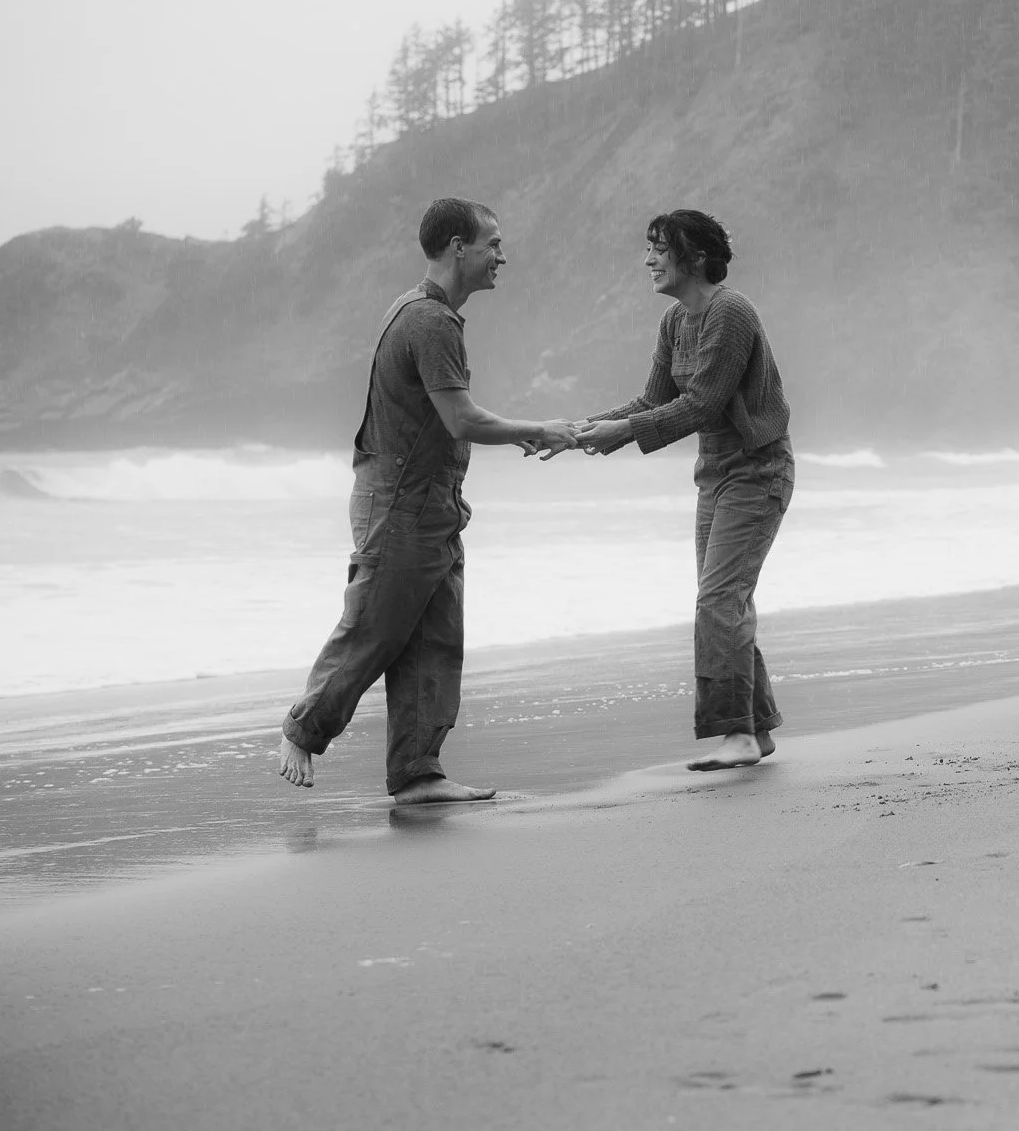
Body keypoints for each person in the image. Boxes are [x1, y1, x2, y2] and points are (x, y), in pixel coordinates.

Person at [276, 198, 579, 803]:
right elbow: (461, 419)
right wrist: (537, 430)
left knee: (434, 638)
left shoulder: (426, 313)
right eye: (492, 243)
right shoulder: (428, 321)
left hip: (430, 500)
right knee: (376, 627)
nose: (502, 255)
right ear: (456, 247)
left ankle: (418, 773)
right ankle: (302, 730)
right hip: (401, 502)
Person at [572, 210, 794, 771]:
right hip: (715, 475)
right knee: (725, 600)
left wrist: (623, 433)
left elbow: (703, 403)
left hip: (758, 472)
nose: (648, 260)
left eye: (658, 249)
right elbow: (651, 402)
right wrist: (579, 430)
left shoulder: (731, 312)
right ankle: (757, 728)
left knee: (718, 599)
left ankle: (735, 733)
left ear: (694, 257)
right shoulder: (675, 321)